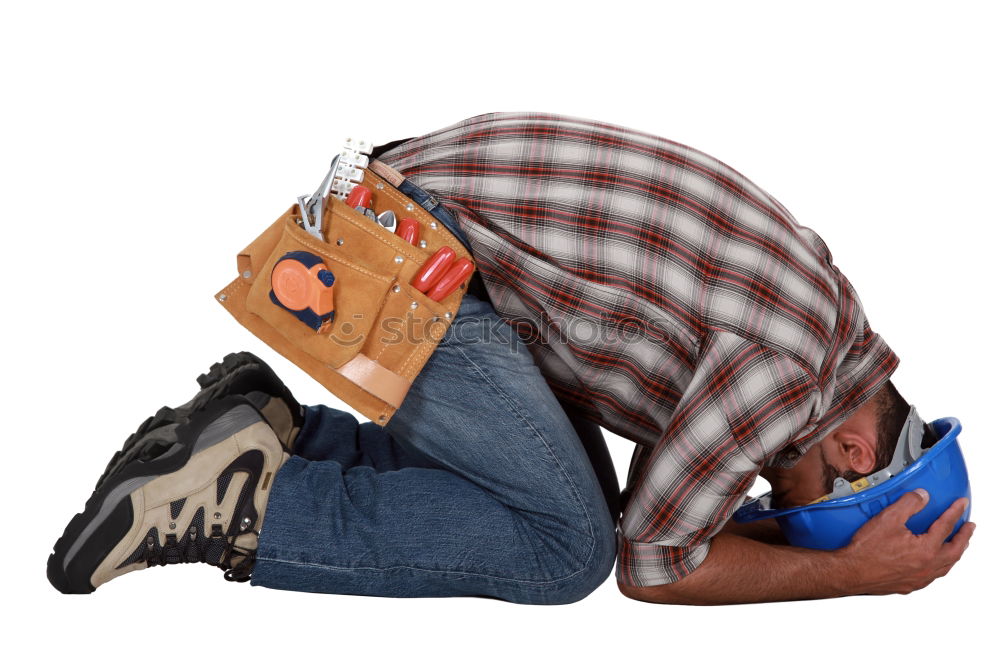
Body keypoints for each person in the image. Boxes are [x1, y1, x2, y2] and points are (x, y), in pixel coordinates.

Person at [48, 113, 974, 603]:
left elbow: (664, 511)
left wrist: (823, 551)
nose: (771, 501)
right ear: (855, 453)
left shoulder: (825, 313)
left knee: (579, 497)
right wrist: (842, 573)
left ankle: (281, 437)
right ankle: (241, 503)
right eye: (802, 507)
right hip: (402, 262)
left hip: (402, 230)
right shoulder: (787, 375)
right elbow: (653, 568)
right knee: (564, 549)